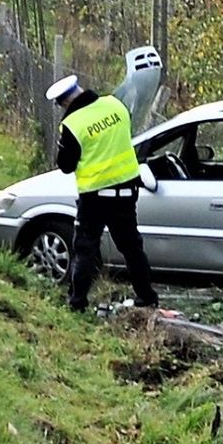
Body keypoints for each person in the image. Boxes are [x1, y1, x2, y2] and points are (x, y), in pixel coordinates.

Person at [47, 74, 158, 313]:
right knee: (132, 247)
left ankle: (77, 303)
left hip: (94, 197)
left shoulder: (72, 124)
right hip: (127, 191)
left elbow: (66, 165)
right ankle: (147, 297)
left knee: (85, 249)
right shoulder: (115, 105)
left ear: (64, 102)